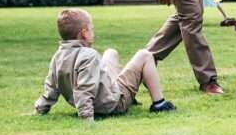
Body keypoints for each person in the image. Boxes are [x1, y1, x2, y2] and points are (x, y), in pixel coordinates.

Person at [34, 8, 175, 121]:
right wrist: (86, 117)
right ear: (84, 33)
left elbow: (51, 87)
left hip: (103, 96)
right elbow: (84, 90)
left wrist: (40, 109)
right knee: (145, 55)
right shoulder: (89, 56)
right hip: (113, 104)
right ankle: (159, 104)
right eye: (92, 29)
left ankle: (133, 96)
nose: (93, 32)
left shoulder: (58, 56)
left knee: (110, 53)